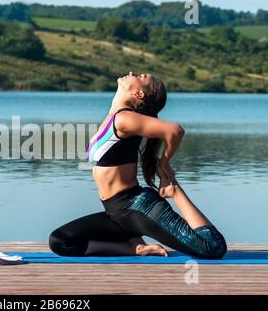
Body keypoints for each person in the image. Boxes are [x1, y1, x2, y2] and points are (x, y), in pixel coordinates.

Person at [49, 72, 227, 259]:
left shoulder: (124, 119)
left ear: (139, 94)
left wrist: (163, 164)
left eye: (141, 77)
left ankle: (174, 191)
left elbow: (175, 131)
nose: (133, 73)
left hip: (138, 207)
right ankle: (134, 247)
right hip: (116, 212)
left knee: (212, 248)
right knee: (60, 241)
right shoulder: (115, 116)